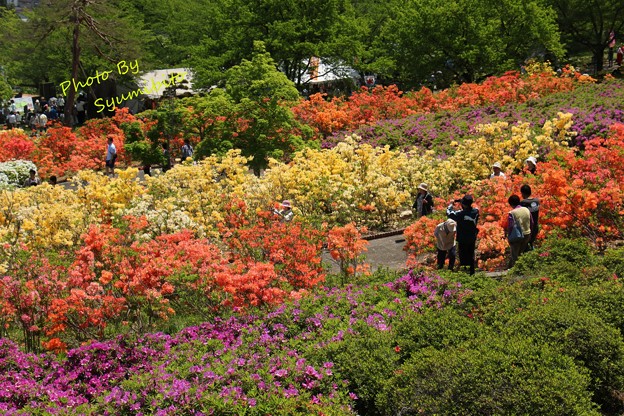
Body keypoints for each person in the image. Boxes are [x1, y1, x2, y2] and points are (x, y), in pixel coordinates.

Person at [447, 195, 479, 275]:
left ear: (463, 204)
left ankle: (465, 274)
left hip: (462, 238)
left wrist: (451, 204)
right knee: (471, 255)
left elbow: (449, 213)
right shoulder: (475, 211)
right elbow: (470, 209)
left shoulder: (460, 214)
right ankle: (472, 273)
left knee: (463, 257)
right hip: (472, 237)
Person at [505, 194, 532, 268]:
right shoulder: (527, 209)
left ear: (511, 204)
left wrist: (509, 237)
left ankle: (515, 272)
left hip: (517, 236)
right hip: (527, 234)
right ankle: (514, 268)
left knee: (515, 256)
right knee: (520, 253)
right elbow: (531, 222)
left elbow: (510, 227)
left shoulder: (512, 213)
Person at [519, 184, 539, 251]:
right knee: (531, 242)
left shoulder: (523, 203)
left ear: (523, 193)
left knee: (525, 246)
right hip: (536, 226)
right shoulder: (537, 201)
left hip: (527, 227)